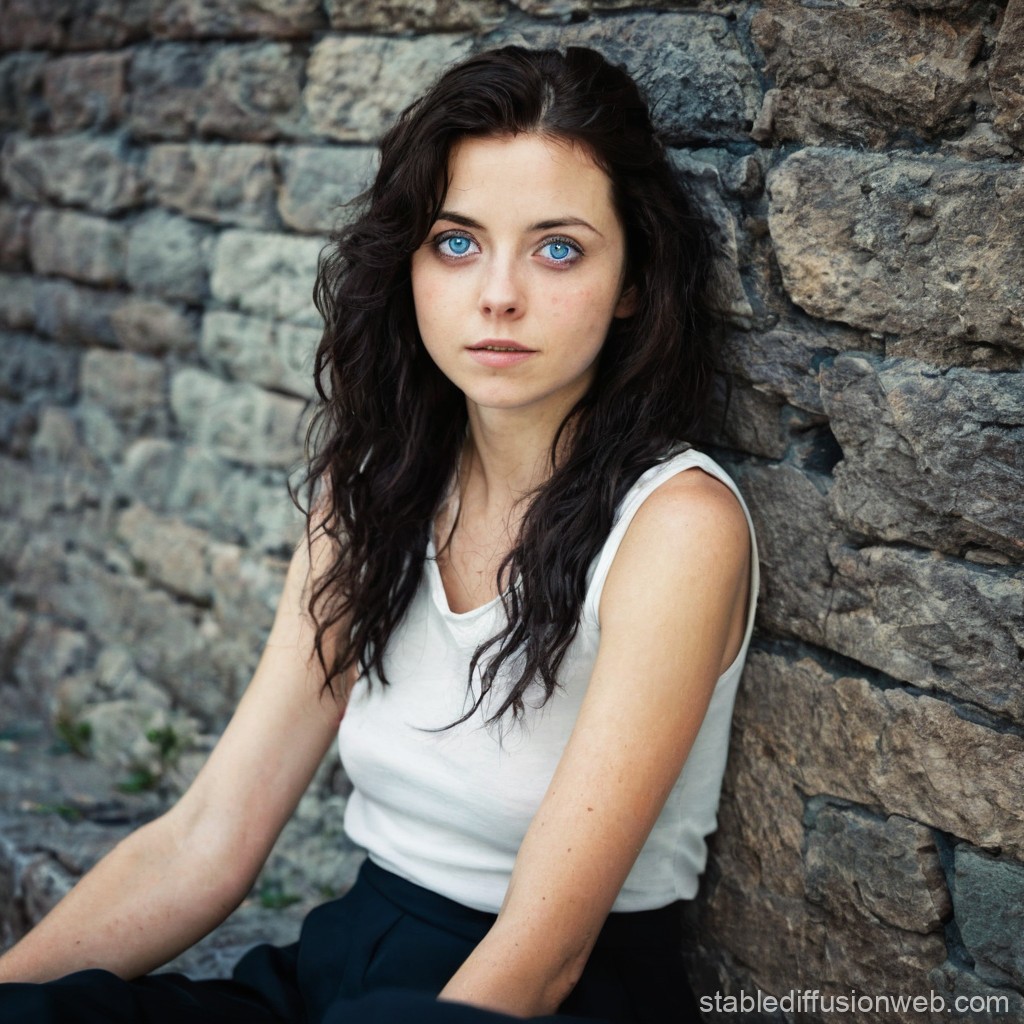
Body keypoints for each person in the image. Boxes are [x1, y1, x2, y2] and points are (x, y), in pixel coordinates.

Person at [0, 45, 757, 1023]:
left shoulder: (675, 528)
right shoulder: (373, 492)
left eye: (558, 249)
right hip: (343, 967)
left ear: (632, 283)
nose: (498, 293)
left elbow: (544, 956)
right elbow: (209, 837)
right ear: (409, 264)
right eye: (456, 242)